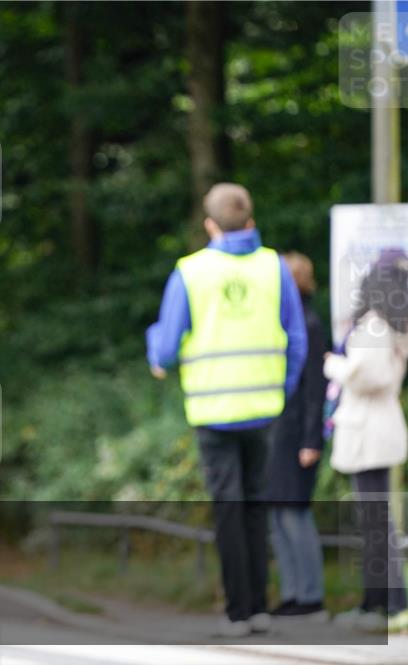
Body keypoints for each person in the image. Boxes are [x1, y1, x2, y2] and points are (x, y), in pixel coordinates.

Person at [146, 183, 307, 638]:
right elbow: (295, 339)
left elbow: (167, 346)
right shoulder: (274, 267)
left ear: (210, 224)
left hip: (214, 412)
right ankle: (260, 607)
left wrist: (157, 356)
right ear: (250, 220)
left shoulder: (191, 272)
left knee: (231, 510)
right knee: (257, 505)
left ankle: (238, 612)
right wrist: (282, 389)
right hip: (264, 409)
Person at [326, 251, 408, 632]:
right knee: (376, 522)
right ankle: (379, 602)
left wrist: (333, 365)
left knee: (376, 523)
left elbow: (365, 376)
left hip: (368, 431)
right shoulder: (396, 324)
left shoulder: (377, 326)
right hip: (378, 428)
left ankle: (390, 603)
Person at [266, 252, 327, 620]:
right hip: (276, 434)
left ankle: (311, 596)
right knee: (276, 513)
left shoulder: (309, 323)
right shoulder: (283, 321)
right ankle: (292, 593)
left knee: (294, 513)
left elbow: (315, 389)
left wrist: (311, 439)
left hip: (296, 436)